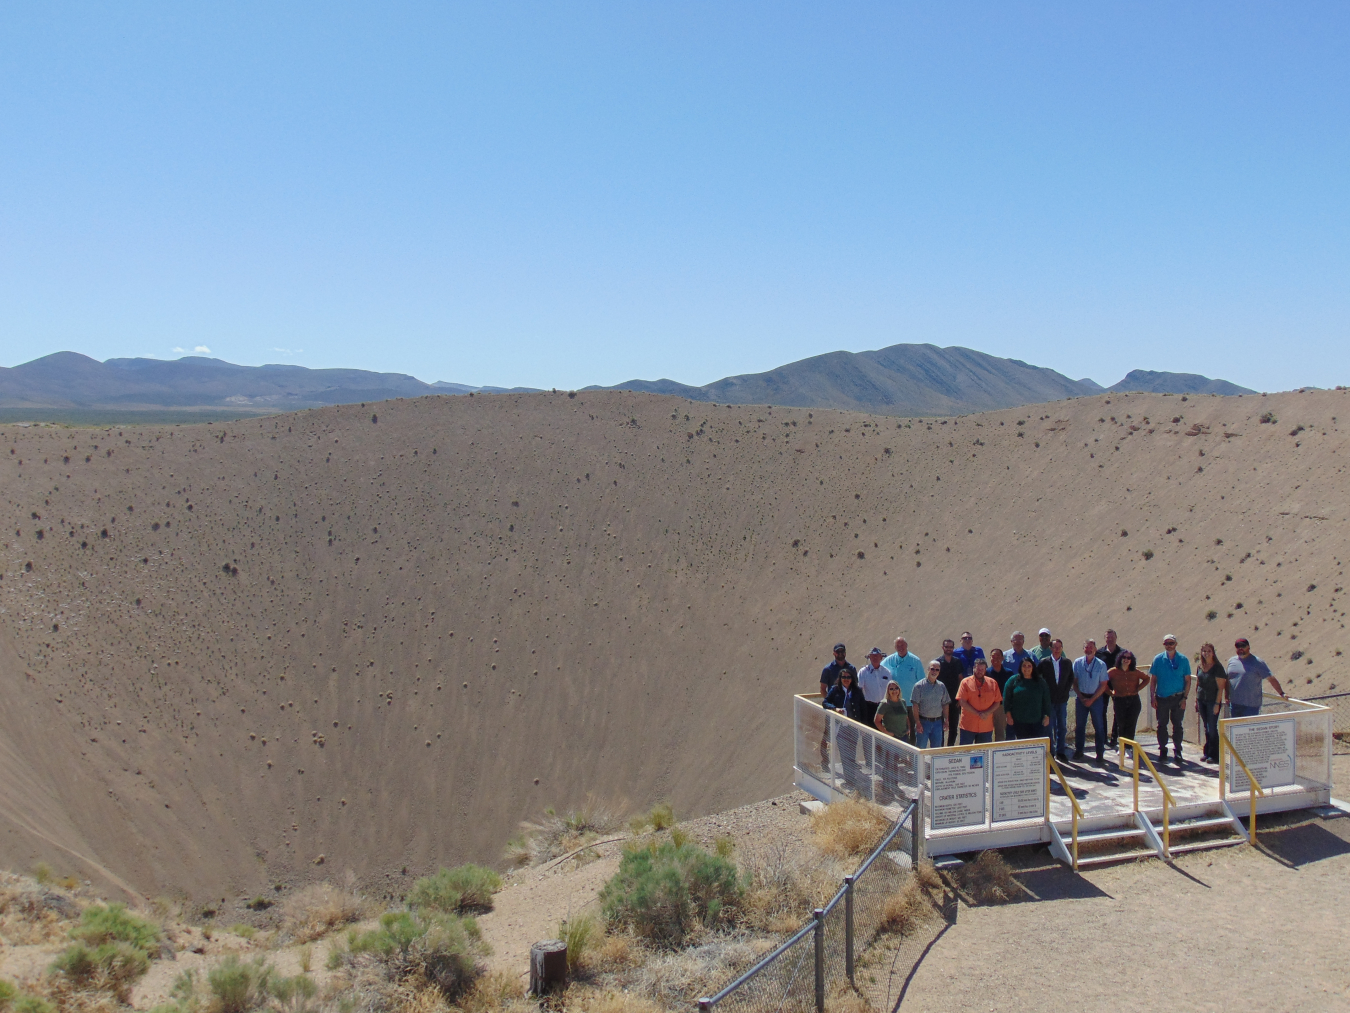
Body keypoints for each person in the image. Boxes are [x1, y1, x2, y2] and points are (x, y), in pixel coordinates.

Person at [1150, 634, 1192, 765]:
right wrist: (1152, 696)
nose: (1169, 645)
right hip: (1161, 698)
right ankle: (1163, 750)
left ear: (1176, 644)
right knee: (1162, 725)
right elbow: (1153, 680)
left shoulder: (1183, 660)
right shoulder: (1158, 659)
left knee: (1177, 725)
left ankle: (1178, 750)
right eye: (1166, 643)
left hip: (1178, 698)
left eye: (1171, 643)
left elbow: (1188, 680)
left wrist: (1185, 698)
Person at [823, 669, 866, 792]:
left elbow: (863, 709)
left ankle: (851, 778)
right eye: (843, 677)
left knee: (852, 754)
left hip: (853, 727)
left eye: (848, 677)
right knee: (844, 753)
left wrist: (863, 726)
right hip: (840, 727)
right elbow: (825, 702)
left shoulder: (857, 691)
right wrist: (835, 709)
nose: (846, 679)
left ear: (852, 679)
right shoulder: (835, 690)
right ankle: (849, 780)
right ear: (840, 678)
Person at [818, 643, 857, 771]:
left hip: (848, 710)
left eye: (842, 651)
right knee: (828, 736)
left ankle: (850, 761)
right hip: (833, 710)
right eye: (838, 652)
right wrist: (831, 704)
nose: (840, 654)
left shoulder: (851, 668)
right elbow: (823, 689)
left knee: (850, 736)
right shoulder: (828, 669)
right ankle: (825, 761)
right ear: (834, 653)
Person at [1106, 650, 1150, 761]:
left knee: (1131, 724)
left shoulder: (1135, 671)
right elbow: (1103, 682)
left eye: (1129, 658)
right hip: (1119, 700)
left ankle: (1129, 748)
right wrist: (1110, 692)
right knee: (1121, 724)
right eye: (1124, 657)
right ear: (1120, 659)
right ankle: (1121, 747)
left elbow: (1147, 678)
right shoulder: (1113, 672)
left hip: (1133, 700)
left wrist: (1138, 689)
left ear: (1132, 660)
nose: (1126, 660)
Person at [874, 680, 913, 803]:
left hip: (902, 737)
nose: (894, 691)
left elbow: (906, 716)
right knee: (888, 762)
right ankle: (886, 786)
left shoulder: (902, 702)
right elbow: (877, 721)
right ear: (888, 691)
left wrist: (908, 728)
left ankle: (894, 784)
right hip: (890, 738)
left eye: (896, 688)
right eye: (891, 689)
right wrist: (886, 733)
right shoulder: (885, 704)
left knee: (896, 761)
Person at [1225, 638, 1287, 717]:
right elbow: (1227, 680)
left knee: (1249, 728)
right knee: (1236, 728)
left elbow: (1271, 678)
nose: (1240, 648)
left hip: (1251, 706)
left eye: (1243, 646)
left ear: (1248, 647)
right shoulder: (1231, 661)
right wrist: (1226, 696)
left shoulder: (1257, 662)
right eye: (1238, 646)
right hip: (1235, 705)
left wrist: (1282, 693)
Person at [1037, 638, 1075, 762]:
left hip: (1062, 700)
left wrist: (1065, 691)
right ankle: (1050, 753)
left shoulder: (1067, 662)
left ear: (1062, 648)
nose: (1057, 649)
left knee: (1062, 727)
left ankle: (1060, 752)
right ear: (1051, 648)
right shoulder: (1044, 662)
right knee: (1049, 727)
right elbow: (1038, 679)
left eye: (1059, 647)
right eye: (1055, 647)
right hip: (1049, 701)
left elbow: (1070, 679)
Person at [1072, 639, 1109, 764]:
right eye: (1086, 647)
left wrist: (1092, 699)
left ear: (1095, 649)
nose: (1088, 650)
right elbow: (1074, 682)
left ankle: (1100, 753)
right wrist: (1081, 697)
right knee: (1080, 726)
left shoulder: (1101, 664)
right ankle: (1079, 750)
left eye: (1091, 647)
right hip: (1081, 698)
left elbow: (1103, 684)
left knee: (1098, 726)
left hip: (1096, 699)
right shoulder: (1077, 663)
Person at [956, 658, 1001, 745]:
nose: (979, 671)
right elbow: (962, 702)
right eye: (978, 669)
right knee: (966, 752)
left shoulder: (993, 683)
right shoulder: (965, 682)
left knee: (984, 753)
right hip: (968, 726)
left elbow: (997, 702)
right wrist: (978, 713)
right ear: (973, 668)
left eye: (982, 669)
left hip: (986, 726)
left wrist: (987, 713)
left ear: (985, 670)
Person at [1195, 643, 1228, 762]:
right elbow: (1198, 684)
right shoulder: (1200, 666)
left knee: (1212, 728)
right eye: (1204, 651)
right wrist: (1196, 700)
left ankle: (1215, 755)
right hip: (1201, 700)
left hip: (1212, 701)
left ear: (1213, 652)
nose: (1206, 653)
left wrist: (1217, 704)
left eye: (1209, 651)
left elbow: (1221, 688)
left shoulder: (1217, 668)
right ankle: (1207, 752)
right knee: (1206, 727)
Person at [1003, 657, 1051, 739]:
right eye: (1024, 666)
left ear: (1033, 667)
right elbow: (1006, 699)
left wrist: (1047, 716)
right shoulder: (1013, 680)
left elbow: (1046, 700)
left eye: (1029, 666)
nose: (1026, 668)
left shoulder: (1040, 682)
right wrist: (1008, 715)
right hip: (1017, 722)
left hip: (1037, 722)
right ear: (1020, 667)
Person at [911, 661, 951, 749]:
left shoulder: (942, 686)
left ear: (939, 672)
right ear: (928, 669)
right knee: (920, 749)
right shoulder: (918, 686)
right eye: (932, 669)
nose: (934, 671)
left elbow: (945, 704)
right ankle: (919, 763)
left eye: (937, 670)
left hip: (937, 723)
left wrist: (946, 720)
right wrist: (917, 722)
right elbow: (915, 706)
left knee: (936, 750)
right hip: (923, 722)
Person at [1097, 629, 1126, 747]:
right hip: (1103, 687)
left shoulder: (1123, 653)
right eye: (1108, 637)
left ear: (1116, 638)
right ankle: (1103, 738)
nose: (1110, 639)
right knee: (1101, 712)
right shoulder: (1099, 653)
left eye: (1112, 637)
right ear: (1105, 639)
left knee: (1118, 712)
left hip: (1118, 687)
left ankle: (1114, 738)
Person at [881, 636, 925, 711]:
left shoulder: (915, 661)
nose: (900, 648)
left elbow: (922, 683)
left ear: (906, 645)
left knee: (912, 722)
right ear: (895, 647)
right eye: (898, 646)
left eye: (902, 645)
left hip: (911, 703)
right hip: (894, 703)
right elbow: (879, 671)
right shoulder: (888, 661)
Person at [937, 639, 965, 746]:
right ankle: (940, 750)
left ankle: (950, 749)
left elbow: (961, 680)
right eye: (946, 647)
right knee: (940, 728)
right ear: (942, 647)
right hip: (940, 701)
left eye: (951, 647)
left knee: (953, 728)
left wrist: (960, 697)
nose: (949, 649)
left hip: (954, 700)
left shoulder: (957, 662)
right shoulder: (938, 662)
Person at [857, 647, 890, 730]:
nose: (875, 658)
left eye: (877, 656)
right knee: (869, 732)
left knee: (884, 731)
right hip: (869, 707)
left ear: (881, 657)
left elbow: (890, 689)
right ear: (869, 657)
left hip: (883, 706)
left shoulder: (886, 672)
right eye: (873, 656)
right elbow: (859, 690)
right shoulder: (863, 672)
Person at [986, 648, 1015, 741]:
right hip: (987, 706)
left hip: (1001, 707)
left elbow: (1011, 690)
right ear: (990, 658)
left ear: (1002, 658)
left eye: (998, 656)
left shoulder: (1008, 673)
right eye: (993, 656)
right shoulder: (985, 673)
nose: (996, 658)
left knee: (1000, 733)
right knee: (986, 733)